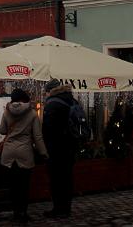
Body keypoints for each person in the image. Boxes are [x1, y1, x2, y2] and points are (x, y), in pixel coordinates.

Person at [0, 88, 48, 223]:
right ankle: (23, 212)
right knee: (24, 185)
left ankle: (15, 212)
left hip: (8, 152)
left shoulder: (6, 111)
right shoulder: (32, 113)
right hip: (24, 152)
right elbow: (37, 137)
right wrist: (43, 153)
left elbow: (2, 130)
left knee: (13, 184)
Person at [42, 78, 77, 218]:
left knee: (56, 179)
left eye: (46, 92)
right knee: (67, 178)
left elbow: (48, 129)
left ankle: (58, 208)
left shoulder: (52, 104)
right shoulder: (71, 100)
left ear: (50, 91)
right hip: (70, 146)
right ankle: (66, 208)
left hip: (56, 148)